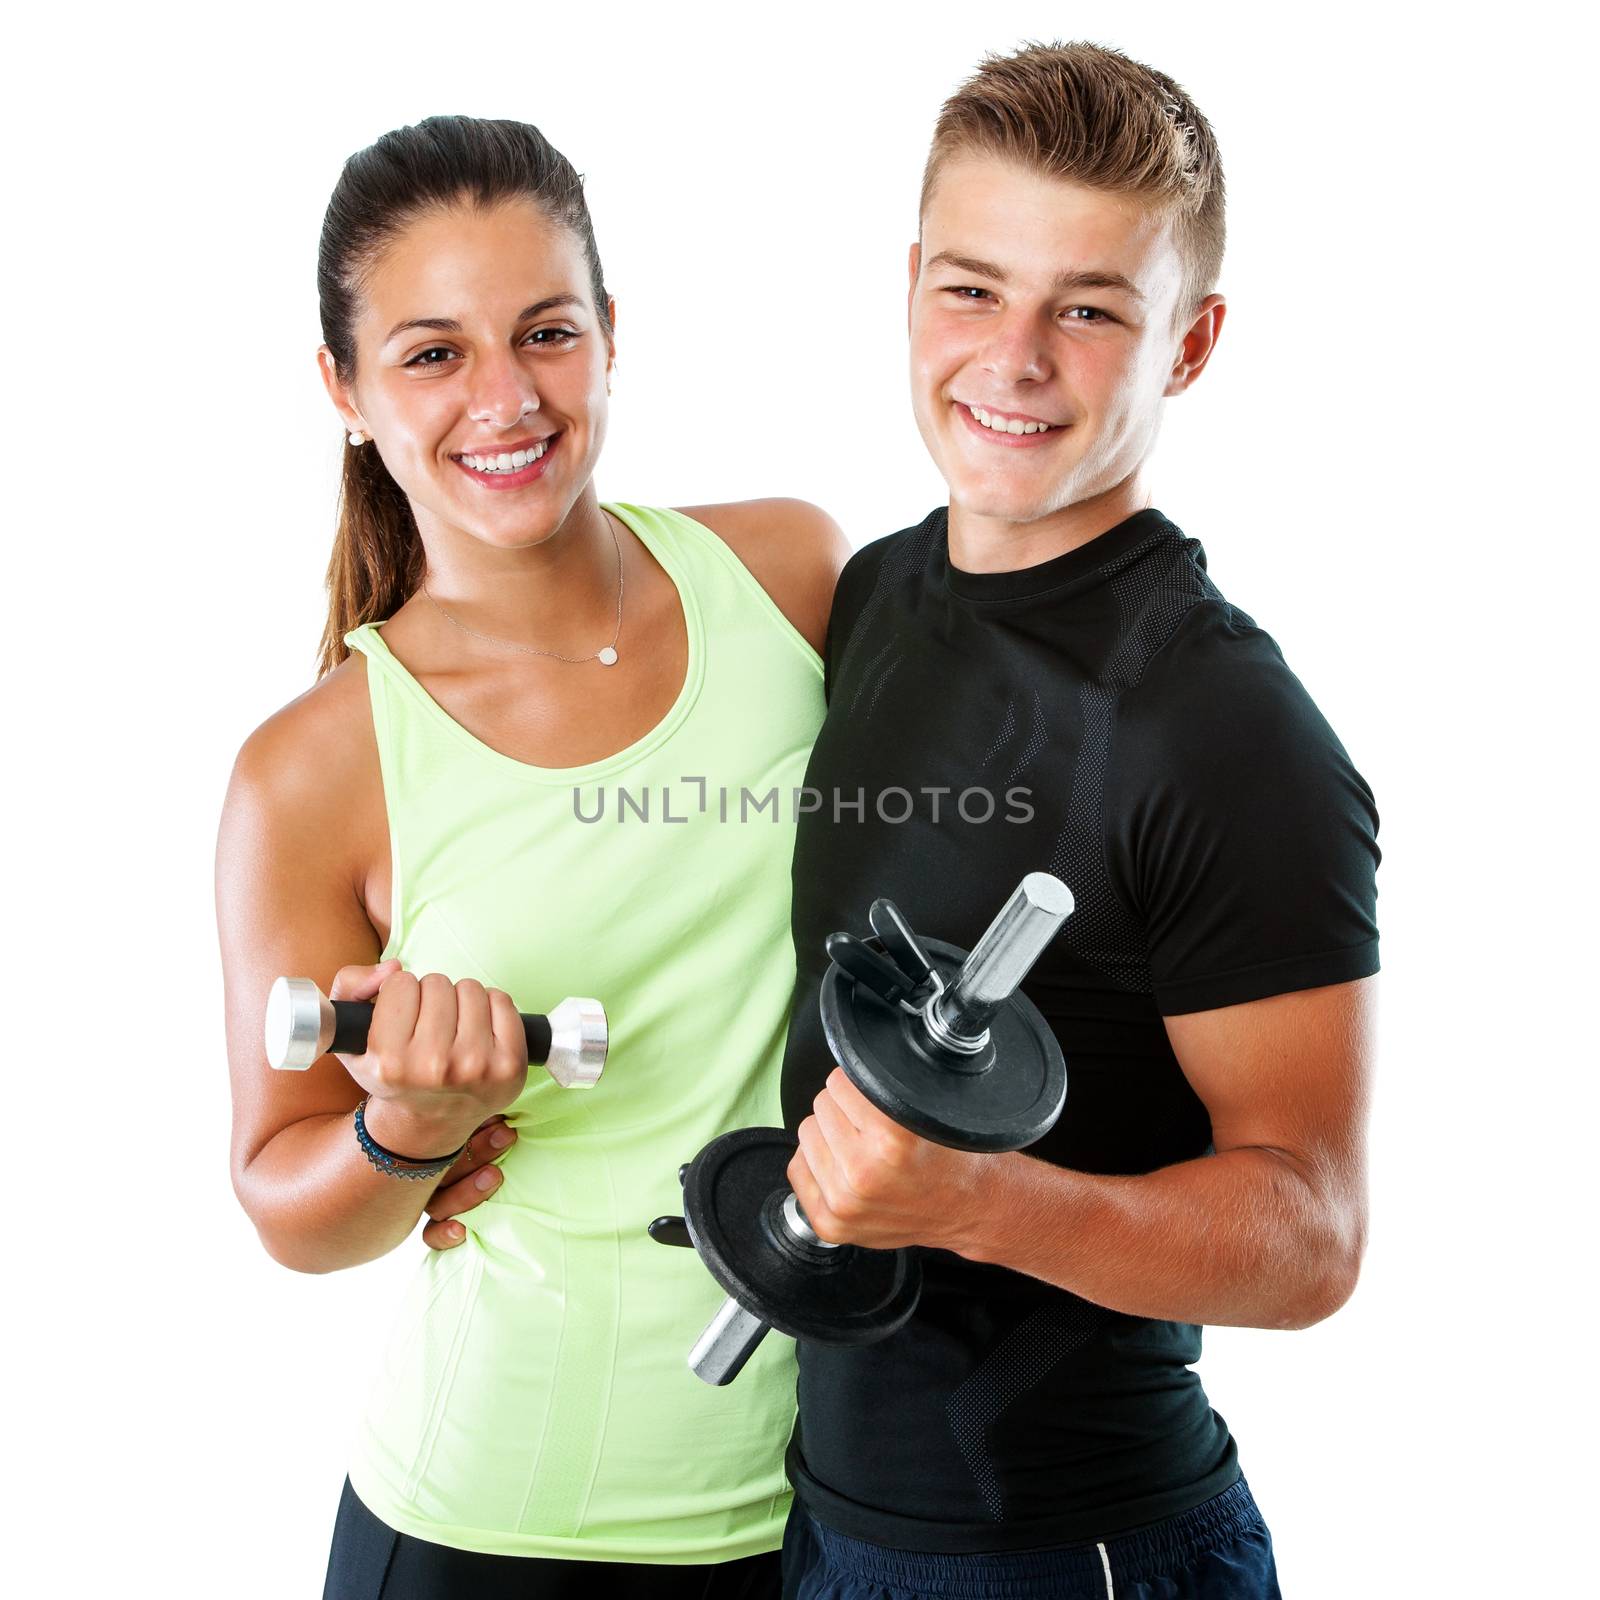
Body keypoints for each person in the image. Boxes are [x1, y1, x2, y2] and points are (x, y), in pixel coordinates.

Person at [772, 42, 1378, 1600]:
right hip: (823, 1521)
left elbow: (1310, 1234)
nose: (1015, 358)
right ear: (911, 284)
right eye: (974, 289)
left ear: (1191, 343)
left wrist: (977, 1202)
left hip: (1073, 1550)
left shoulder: (1227, 729)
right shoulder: (878, 597)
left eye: (1091, 308)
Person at [214, 115, 848, 1598]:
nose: (505, 398)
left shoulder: (793, 576)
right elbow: (282, 1201)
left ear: (612, 338)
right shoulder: (311, 768)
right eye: (432, 352)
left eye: (546, 332)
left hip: (840, 1493)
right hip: (498, 1523)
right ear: (345, 391)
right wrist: (409, 1131)